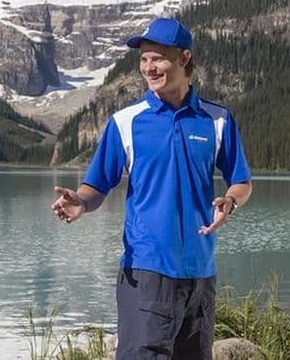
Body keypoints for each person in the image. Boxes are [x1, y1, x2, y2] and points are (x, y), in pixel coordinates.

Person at [51, 18, 253, 359]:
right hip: (146, 272)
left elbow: (242, 181)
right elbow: (97, 184)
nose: (148, 67)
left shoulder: (217, 119)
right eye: (143, 59)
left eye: (157, 58)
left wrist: (230, 202)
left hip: (201, 275)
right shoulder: (126, 122)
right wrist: (81, 203)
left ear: (184, 58)